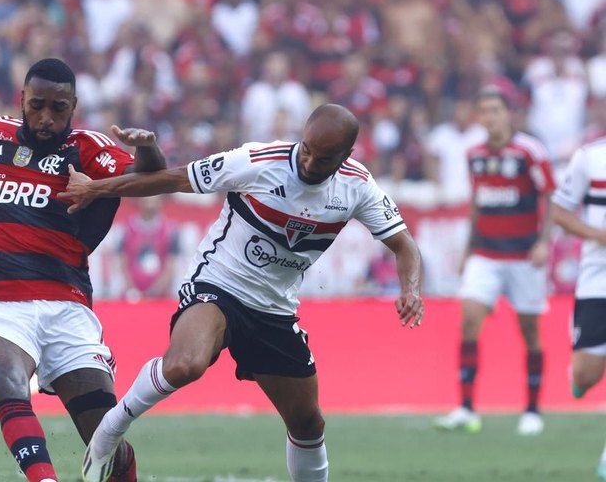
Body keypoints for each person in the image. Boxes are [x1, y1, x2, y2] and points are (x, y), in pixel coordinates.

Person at [59, 103, 424, 482]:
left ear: (346, 156)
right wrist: (96, 189)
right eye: (307, 148)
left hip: (275, 308)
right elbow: (172, 179)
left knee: (307, 422)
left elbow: (405, 245)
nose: (309, 161)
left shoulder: (357, 186)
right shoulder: (258, 161)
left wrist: (411, 289)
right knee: (187, 364)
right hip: (218, 283)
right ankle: (108, 432)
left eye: (323, 157)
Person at [0, 58, 165, 482]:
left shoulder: (88, 149)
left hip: (66, 303)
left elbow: (153, 176)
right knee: (7, 381)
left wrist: (146, 148)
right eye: (37, 105)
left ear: (73, 106)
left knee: (103, 436)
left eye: (58, 109)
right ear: (22, 99)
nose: (46, 118)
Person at [435, 88, 556, 436]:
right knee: (469, 321)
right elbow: (478, 202)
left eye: (495, 110)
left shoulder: (529, 152)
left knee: (530, 331)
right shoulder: (474, 155)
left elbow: (549, 195)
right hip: (486, 253)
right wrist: (467, 249)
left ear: (509, 114)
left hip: (524, 256)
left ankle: (533, 409)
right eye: (484, 111)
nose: (490, 117)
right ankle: (467, 408)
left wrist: (545, 242)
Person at [550, 135, 606, 478]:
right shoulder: (590, 158)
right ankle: (580, 378)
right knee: (588, 372)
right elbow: (559, 212)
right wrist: (598, 235)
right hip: (597, 278)